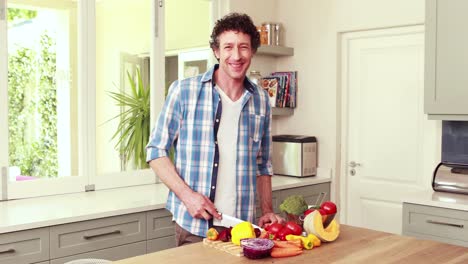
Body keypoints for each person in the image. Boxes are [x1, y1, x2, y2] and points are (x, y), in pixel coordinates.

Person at [146, 12, 283, 246]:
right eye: (228, 47)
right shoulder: (184, 91)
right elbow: (155, 151)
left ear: (253, 52)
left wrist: (267, 210)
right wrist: (188, 197)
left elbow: (263, 164)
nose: (236, 56)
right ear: (217, 52)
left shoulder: (260, 99)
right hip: (195, 227)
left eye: (244, 47)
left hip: (242, 229)